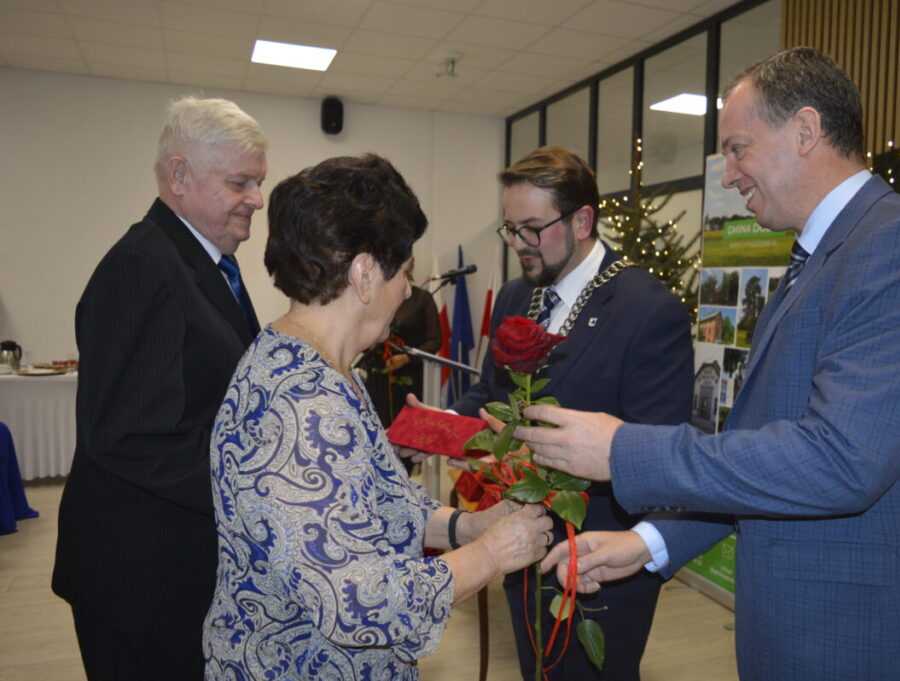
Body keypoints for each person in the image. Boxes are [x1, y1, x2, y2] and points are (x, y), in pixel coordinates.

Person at [521, 48, 900, 680]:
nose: (728, 175)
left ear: (806, 131)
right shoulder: (820, 262)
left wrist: (623, 450)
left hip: (888, 644)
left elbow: (839, 462)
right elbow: (762, 456)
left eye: (738, 149)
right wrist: (648, 544)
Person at [203, 154, 553, 681]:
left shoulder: (324, 365)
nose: (409, 292)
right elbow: (359, 605)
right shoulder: (304, 408)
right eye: (405, 273)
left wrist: (465, 525)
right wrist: (491, 554)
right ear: (365, 274)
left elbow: (374, 504)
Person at [407, 145, 694, 681]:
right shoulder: (519, 295)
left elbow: (659, 455)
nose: (519, 244)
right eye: (510, 229)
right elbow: (494, 394)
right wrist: (437, 426)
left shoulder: (649, 309)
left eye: (532, 229)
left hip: (605, 559)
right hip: (520, 541)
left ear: (582, 219)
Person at [52, 96, 268, 680]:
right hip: (139, 581)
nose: (257, 198)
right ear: (179, 176)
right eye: (240, 182)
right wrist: (258, 490)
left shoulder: (207, 260)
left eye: (258, 182)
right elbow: (129, 436)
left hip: (178, 565)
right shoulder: (141, 267)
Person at [357, 259, 441, 433]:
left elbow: (435, 340)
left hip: (410, 376)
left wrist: (407, 358)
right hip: (378, 375)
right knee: (378, 428)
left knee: (407, 431)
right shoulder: (376, 297)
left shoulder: (422, 298)